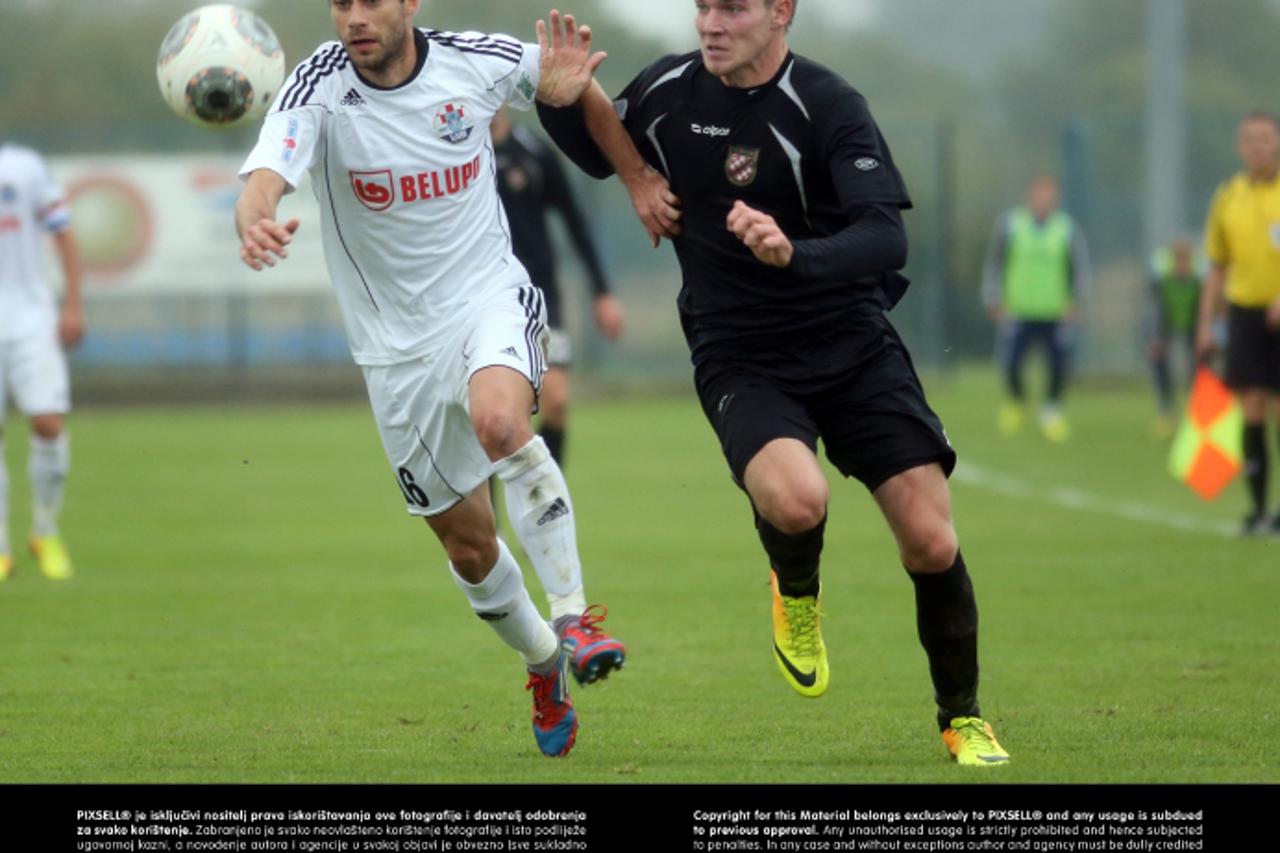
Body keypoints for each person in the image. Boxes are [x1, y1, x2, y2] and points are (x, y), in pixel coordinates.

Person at [538, 0, 1008, 765]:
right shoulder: (669, 90)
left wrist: (796, 252)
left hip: (853, 345)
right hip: (740, 351)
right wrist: (557, 103)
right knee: (797, 499)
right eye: (702, 7)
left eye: (733, 8)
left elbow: (885, 234)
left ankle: (963, 717)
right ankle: (796, 591)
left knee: (929, 538)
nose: (711, 24)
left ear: (780, 13)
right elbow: (601, 149)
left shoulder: (827, 104)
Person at [234, 2, 625, 758]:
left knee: (503, 425)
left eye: (371, 0)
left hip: (486, 299)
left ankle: (576, 616)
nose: (354, 16)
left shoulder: (474, 61)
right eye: (341, 3)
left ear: (410, 2)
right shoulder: (316, 88)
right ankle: (545, 661)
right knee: (470, 549)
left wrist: (633, 172)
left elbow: (570, 85)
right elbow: (265, 176)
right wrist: (252, 218)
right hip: (394, 355)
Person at [490, 108, 623, 468]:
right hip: (483, 300)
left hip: (541, 297)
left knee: (558, 400)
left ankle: (550, 508)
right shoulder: (459, 158)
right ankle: (491, 524)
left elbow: (575, 222)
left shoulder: (533, 152)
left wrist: (602, 292)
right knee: (495, 414)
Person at [0, 142, 85, 583]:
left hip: (31, 316)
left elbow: (63, 231)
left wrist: (73, 304)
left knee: (48, 423)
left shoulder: (23, 165)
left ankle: (45, 530)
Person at [1197, 111, 1280, 536]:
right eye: (1250, 140)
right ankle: (1257, 508)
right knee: (1250, 406)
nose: (1258, 147)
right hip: (1245, 313)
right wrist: (1205, 324)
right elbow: (1216, 266)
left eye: (1265, 139)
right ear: (1239, 146)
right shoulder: (1228, 197)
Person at [982, 174, 1091, 443]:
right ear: (1030, 196)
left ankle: (1051, 412)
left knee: (1058, 366)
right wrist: (993, 298)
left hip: (1055, 312)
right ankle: (1017, 401)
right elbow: (995, 263)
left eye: (1049, 196)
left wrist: (1075, 301)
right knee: (1011, 363)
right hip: (1017, 310)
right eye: (1040, 195)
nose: (1044, 200)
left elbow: (1079, 268)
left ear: (1055, 199)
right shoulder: (1011, 225)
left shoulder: (1066, 229)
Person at [1145, 238, 1201, 438]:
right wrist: (1156, 337)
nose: (1181, 266)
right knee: (1159, 360)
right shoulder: (1161, 276)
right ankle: (1166, 409)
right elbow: (1154, 307)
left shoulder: (1199, 276)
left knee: (1199, 368)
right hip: (1167, 322)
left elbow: (1205, 306)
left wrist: (1203, 334)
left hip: (1192, 324)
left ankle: (1197, 414)